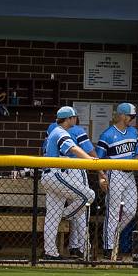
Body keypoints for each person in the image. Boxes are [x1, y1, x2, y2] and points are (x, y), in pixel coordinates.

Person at [41, 106, 97, 260]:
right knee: (88, 195)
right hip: (55, 175)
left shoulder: (54, 131)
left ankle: (50, 252)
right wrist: (90, 159)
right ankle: (66, 216)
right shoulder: (60, 131)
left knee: (52, 216)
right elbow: (72, 148)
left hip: (50, 176)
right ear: (68, 119)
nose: (76, 119)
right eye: (74, 117)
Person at [95, 102, 138, 258]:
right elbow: (98, 159)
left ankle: (112, 236)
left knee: (130, 211)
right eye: (131, 116)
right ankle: (109, 247)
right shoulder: (107, 134)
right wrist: (101, 177)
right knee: (113, 212)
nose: (132, 119)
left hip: (130, 175)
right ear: (122, 115)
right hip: (114, 174)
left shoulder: (134, 132)